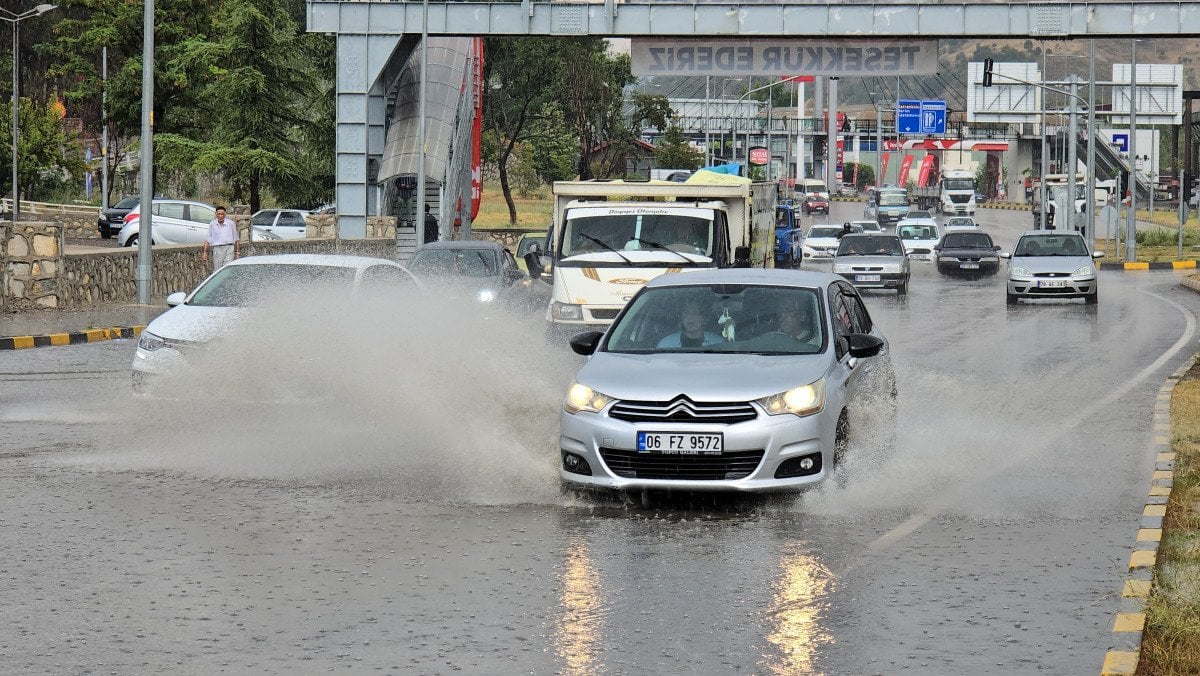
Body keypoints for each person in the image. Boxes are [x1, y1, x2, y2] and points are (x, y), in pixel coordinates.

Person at [657, 299, 723, 348]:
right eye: (686, 313)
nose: (690, 317)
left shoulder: (719, 343)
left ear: (704, 319)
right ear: (682, 318)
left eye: (695, 313)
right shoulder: (666, 344)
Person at [201, 206, 239, 271]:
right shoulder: (212, 224)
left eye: (222, 214)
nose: (221, 216)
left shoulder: (230, 223)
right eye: (219, 214)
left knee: (227, 269)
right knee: (217, 270)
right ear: (216, 214)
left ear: (225, 214)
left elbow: (236, 238)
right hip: (217, 249)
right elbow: (208, 239)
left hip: (229, 248)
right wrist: (205, 252)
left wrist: (237, 252)